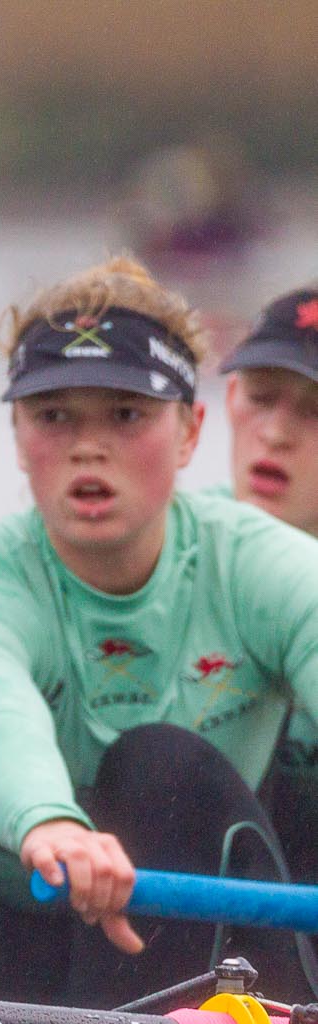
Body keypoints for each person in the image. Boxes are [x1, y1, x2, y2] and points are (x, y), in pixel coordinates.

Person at [0, 256, 318, 1010]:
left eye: (125, 415)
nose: (88, 447)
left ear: (190, 431)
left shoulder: (268, 567)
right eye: (54, 415)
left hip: (216, 968)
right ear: (18, 434)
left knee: (159, 763)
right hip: (5, 951)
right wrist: (50, 821)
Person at [221, 285, 318, 884]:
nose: (276, 433)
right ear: (229, 399)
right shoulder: (146, 544)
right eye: (261, 398)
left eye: (314, 411)